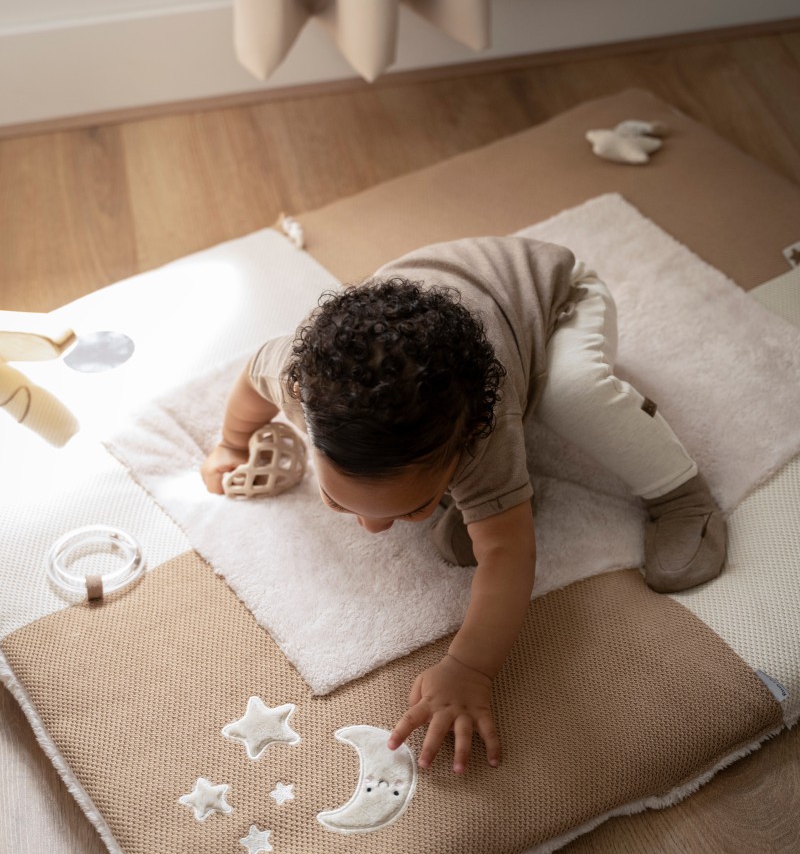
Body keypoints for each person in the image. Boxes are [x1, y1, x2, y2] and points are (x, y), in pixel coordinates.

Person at [201, 237, 726, 775]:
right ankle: (486, 500)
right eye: (338, 499)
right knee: (463, 513)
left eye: (410, 508)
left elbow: (510, 554)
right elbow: (251, 376)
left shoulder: (485, 432)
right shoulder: (299, 378)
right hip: (442, 315)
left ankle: (683, 496)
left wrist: (469, 667)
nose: (373, 528)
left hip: (557, 301)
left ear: (467, 449)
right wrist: (233, 442)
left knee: (572, 395)